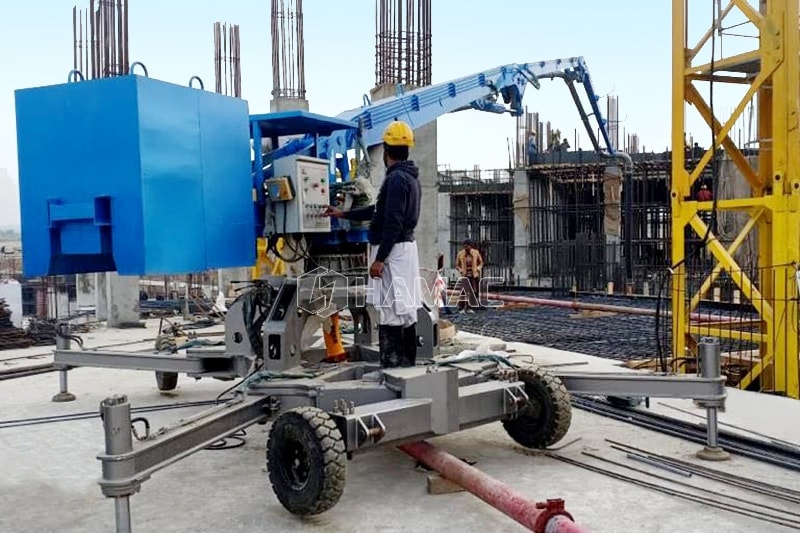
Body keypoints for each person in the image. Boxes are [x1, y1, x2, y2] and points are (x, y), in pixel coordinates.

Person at [325, 120, 421, 368]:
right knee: (406, 311)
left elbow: (392, 222)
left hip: (393, 251)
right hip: (404, 250)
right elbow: (378, 211)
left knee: (391, 311)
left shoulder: (397, 179)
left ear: (387, 151)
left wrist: (380, 259)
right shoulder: (409, 178)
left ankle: (392, 369)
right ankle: (406, 367)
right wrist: (343, 214)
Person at [455, 239, 483, 312]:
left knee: (473, 291)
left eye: (467, 246)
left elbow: (481, 262)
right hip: (465, 274)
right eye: (465, 247)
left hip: (474, 274)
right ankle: (462, 307)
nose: (466, 248)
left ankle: (470, 307)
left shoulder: (476, 252)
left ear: (470, 246)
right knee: (464, 291)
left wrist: (478, 268)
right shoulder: (460, 254)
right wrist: (460, 270)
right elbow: (457, 265)